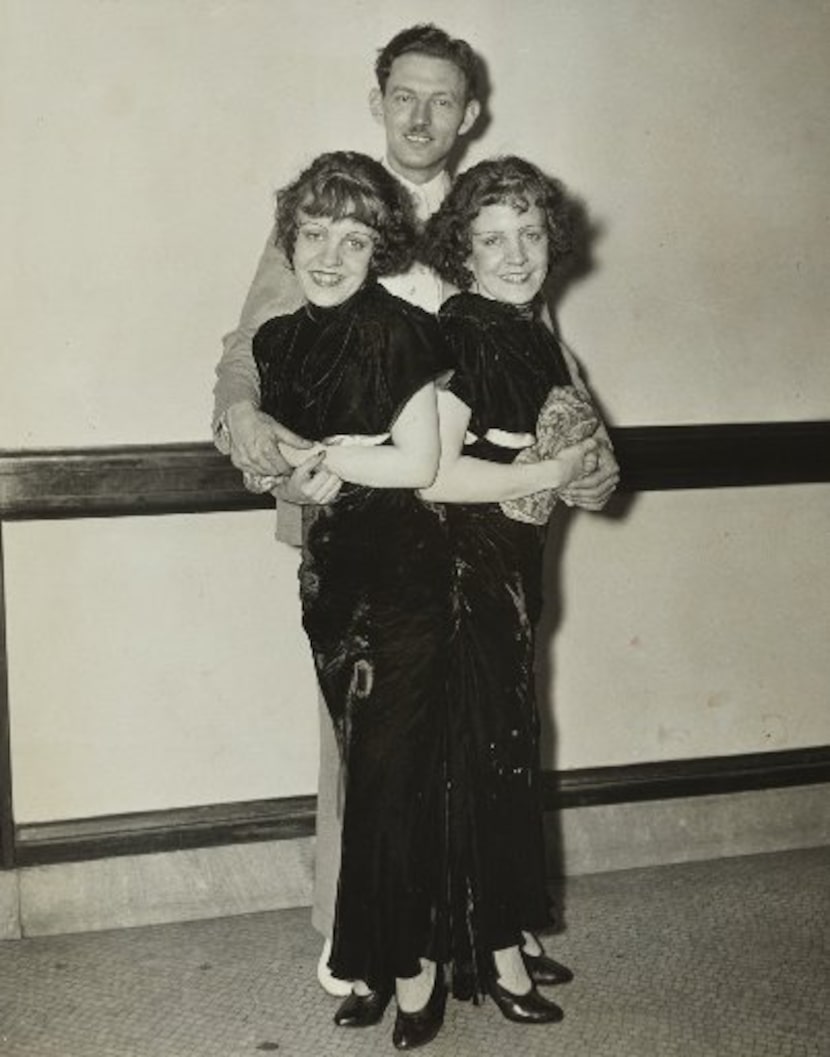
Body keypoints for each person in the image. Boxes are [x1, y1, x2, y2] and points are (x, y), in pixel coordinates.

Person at [213, 21, 618, 1003]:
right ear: (378, 99)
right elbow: (246, 361)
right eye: (406, 94)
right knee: (365, 740)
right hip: (358, 506)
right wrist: (258, 442)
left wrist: (586, 461)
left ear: (468, 112)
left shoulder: (494, 215)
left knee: (484, 721)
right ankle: (353, 939)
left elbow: (546, 366)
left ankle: (480, 928)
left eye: (444, 99)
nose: (424, 115)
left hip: (478, 517)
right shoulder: (332, 205)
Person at [252, 150, 454, 1050]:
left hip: (407, 584)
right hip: (330, 587)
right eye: (314, 233)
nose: (329, 255)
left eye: (354, 237)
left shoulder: (405, 330)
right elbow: (286, 469)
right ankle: (371, 958)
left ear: (380, 248)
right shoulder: (277, 343)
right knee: (361, 782)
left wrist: (329, 459)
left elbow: (417, 462)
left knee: (390, 783)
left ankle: (414, 971)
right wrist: (304, 471)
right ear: (290, 239)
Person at [419, 156, 616, 1026]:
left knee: (504, 745)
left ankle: (503, 930)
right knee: (487, 757)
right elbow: (431, 477)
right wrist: (557, 465)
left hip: (505, 563)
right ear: (460, 251)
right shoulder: (469, 332)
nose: (516, 253)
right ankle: (497, 957)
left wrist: (574, 466)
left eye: (530, 234)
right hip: (464, 572)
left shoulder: (524, 325)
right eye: (492, 238)